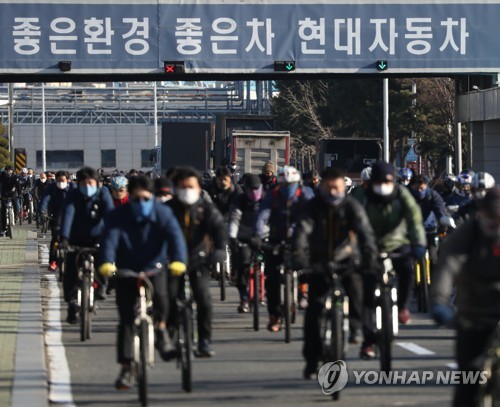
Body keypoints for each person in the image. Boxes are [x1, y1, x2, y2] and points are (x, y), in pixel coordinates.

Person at [98, 175, 188, 390]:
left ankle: (162, 331)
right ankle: (127, 368)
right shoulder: (118, 215)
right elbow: (109, 241)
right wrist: (107, 263)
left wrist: (179, 261)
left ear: (153, 198)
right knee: (127, 319)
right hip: (127, 269)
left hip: (154, 266)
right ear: (131, 197)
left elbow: (176, 238)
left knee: (163, 298)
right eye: (136, 199)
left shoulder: (163, 213)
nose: (141, 203)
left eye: (146, 198)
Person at [292, 167, 378, 379]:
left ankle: (357, 329)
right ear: (322, 186)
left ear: (344, 187)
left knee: (357, 289)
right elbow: (302, 230)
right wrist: (298, 255)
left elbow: (365, 232)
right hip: (319, 262)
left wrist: (369, 257)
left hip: (347, 258)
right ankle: (312, 360)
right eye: (329, 187)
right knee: (314, 311)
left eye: (337, 188)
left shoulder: (352, 206)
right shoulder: (312, 207)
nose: (333, 192)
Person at [431, 188, 500, 407]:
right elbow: (447, 268)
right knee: (468, 380)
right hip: (474, 313)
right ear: (482, 213)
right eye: (492, 218)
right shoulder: (467, 235)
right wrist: (440, 303)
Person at [351, 161, 426, 359]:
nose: (384, 184)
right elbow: (350, 221)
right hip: (369, 245)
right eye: (379, 181)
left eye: (388, 181)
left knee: (407, 269)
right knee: (365, 292)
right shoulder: (361, 196)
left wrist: (418, 243)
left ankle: (402, 306)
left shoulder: (402, 195)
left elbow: (415, 218)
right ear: (371, 182)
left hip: (397, 242)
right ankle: (367, 342)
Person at [168, 166, 228, 357]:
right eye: (183, 187)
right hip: (172, 261)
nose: (187, 190)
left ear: (198, 187)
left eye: (191, 186)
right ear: (176, 188)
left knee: (204, 300)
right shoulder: (167, 209)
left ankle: (204, 340)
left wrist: (219, 249)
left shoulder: (205, 207)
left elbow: (218, 227)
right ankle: (170, 336)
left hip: (198, 259)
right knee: (167, 298)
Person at [254, 165, 314, 332]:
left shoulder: (305, 194)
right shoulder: (272, 194)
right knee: (271, 279)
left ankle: (304, 290)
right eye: (284, 184)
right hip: (276, 238)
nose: (287, 188)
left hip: (300, 237)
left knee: (308, 264)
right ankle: (274, 316)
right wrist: (257, 234)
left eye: (291, 184)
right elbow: (263, 214)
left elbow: (313, 214)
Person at [59, 167, 114, 323]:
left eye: (91, 183)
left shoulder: (103, 193)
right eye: (84, 183)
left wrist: (111, 236)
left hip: (98, 237)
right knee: (71, 269)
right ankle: (71, 301)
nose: (87, 186)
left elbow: (110, 215)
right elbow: (68, 214)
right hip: (76, 238)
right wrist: (64, 237)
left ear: (97, 183)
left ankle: (102, 286)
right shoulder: (73, 194)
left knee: (103, 261)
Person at [228, 174, 264, 313]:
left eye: (257, 189)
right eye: (251, 189)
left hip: (263, 236)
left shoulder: (266, 198)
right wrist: (232, 236)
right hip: (243, 236)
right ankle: (244, 298)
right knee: (242, 268)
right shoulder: (239, 200)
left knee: (273, 266)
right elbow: (234, 218)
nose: (254, 192)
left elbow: (270, 217)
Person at [39, 171, 74, 271]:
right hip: (56, 216)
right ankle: (53, 261)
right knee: (55, 238)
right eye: (58, 180)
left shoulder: (74, 188)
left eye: (62, 181)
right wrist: (43, 212)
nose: (60, 183)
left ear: (68, 180)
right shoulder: (52, 188)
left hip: (71, 216)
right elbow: (45, 199)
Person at [0, 166, 22, 235]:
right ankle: (3, 228)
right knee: (3, 211)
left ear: (12, 171)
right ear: (5, 171)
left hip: (13, 193)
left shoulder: (15, 177)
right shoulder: (1, 176)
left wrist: (20, 194)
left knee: (15, 203)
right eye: (7, 171)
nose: (9, 172)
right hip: (4, 194)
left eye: (10, 171)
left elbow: (18, 186)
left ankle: (16, 216)